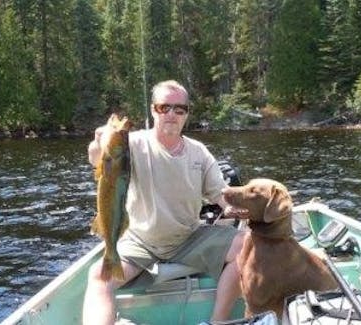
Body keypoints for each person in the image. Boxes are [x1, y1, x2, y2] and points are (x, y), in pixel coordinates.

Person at [83, 80, 248, 324]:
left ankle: (217, 321)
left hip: (189, 238)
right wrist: (99, 142)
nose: (172, 113)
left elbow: (219, 193)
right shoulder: (131, 142)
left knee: (249, 248)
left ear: (186, 114)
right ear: (153, 110)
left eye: (179, 109)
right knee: (99, 276)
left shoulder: (199, 152)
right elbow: (97, 158)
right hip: (141, 241)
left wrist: (234, 208)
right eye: (164, 107)